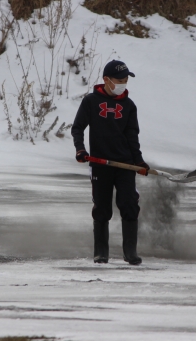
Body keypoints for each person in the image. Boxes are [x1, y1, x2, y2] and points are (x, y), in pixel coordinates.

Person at [71, 60, 149, 265]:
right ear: (106, 79)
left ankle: (130, 252)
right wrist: (80, 149)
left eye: (125, 81)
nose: (123, 84)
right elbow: (77, 128)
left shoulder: (129, 106)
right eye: (119, 80)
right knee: (102, 208)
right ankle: (101, 253)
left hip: (125, 165)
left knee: (129, 204)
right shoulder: (91, 101)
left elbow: (132, 137)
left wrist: (139, 161)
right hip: (100, 165)